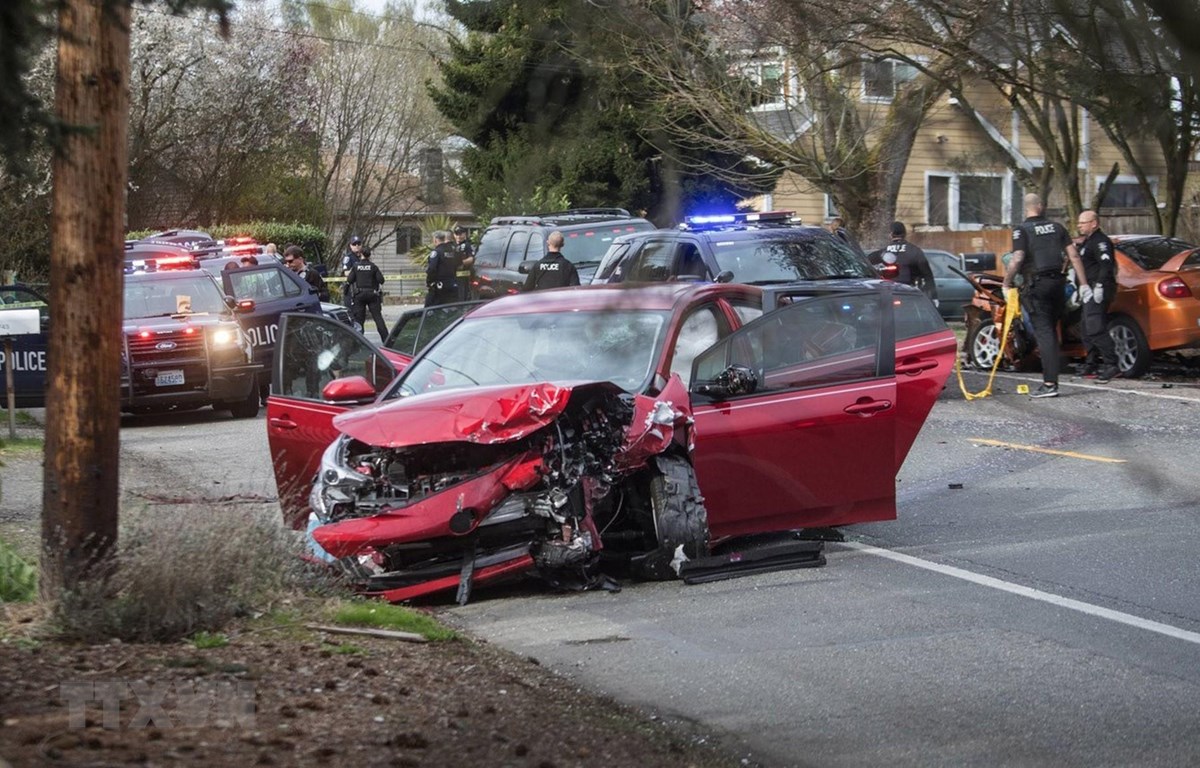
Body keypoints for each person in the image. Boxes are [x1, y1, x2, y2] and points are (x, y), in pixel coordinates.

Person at [1002, 193, 1090, 399]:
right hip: (1058, 284)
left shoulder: (1021, 230)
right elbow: (1074, 256)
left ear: (1027, 208)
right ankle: (1055, 370)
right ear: (1041, 207)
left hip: (1037, 285)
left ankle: (1050, 383)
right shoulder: (1058, 228)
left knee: (1044, 333)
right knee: (1051, 329)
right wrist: (1084, 284)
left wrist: (1006, 283)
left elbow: (1017, 258)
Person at [1075, 210, 1120, 383]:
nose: (1079, 225)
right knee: (1086, 328)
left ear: (1094, 223)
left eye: (1083, 222)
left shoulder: (1101, 242)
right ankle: (1091, 363)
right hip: (1089, 289)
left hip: (1099, 289)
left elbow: (1106, 265)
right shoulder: (1088, 242)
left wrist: (1100, 285)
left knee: (1095, 327)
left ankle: (1112, 364)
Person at [881, 221, 938, 306]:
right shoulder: (915, 250)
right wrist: (934, 297)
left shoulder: (883, 252)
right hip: (910, 295)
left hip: (888, 295)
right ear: (905, 234)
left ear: (891, 234)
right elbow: (928, 275)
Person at [348, 246, 388, 340]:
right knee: (378, 318)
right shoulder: (373, 267)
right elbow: (381, 280)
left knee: (359, 321)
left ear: (360, 254)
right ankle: (387, 341)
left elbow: (349, 280)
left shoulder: (356, 266)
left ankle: (359, 342)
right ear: (369, 255)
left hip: (359, 295)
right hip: (372, 295)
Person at [425, 231, 461, 307]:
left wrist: (429, 282)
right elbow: (459, 263)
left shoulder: (436, 252)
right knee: (452, 309)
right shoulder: (453, 251)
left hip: (440, 287)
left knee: (429, 308)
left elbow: (432, 269)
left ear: (435, 240)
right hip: (453, 284)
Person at [452, 225, 476, 301]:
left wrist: (461, 263)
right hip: (452, 277)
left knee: (463, 297)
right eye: (456, 234)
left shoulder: (467, 245)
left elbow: (471, 258)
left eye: (460, 234)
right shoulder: (452, 246)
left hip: (464, 276)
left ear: (464, 234)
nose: (458, 236)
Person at [341, 235, 363, 309]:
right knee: (351, 312)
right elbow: (346, 273)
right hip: (351, 290)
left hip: (361, 289)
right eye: (354, 244)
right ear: (350, 246)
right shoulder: (348, 257)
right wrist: (356, 268)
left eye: (358, 244)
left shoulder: (362, 257)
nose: (356, 246)